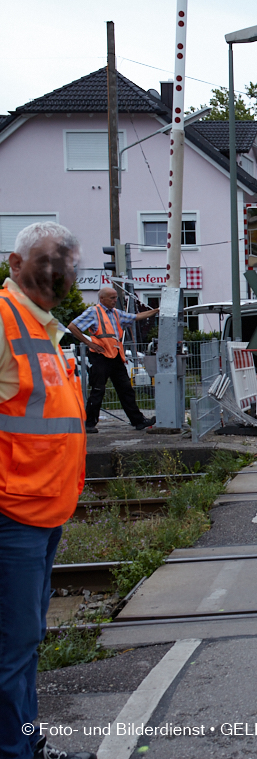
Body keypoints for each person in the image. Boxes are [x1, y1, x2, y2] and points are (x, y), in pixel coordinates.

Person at [0, 222, 96, 759]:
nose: (56, 272)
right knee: (12, 646)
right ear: (15, 265)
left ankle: (24, 744)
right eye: (43, 261)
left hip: (40, 513)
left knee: (23, 641)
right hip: (11, 515)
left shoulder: (43, 329)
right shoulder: (4, 320)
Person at [67, 286, 158, 432]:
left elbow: (136, 317)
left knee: (126, 389)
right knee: (98, 390)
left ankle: (138, 421)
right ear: (102, 298)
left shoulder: (116, 313)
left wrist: (157, 310)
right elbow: (72, 326)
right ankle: (89, 424)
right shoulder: (93, 312)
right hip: (100, 356)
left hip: (115, 356)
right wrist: (89, 343)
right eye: (112, 298)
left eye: (116, 297)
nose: (115, 300)